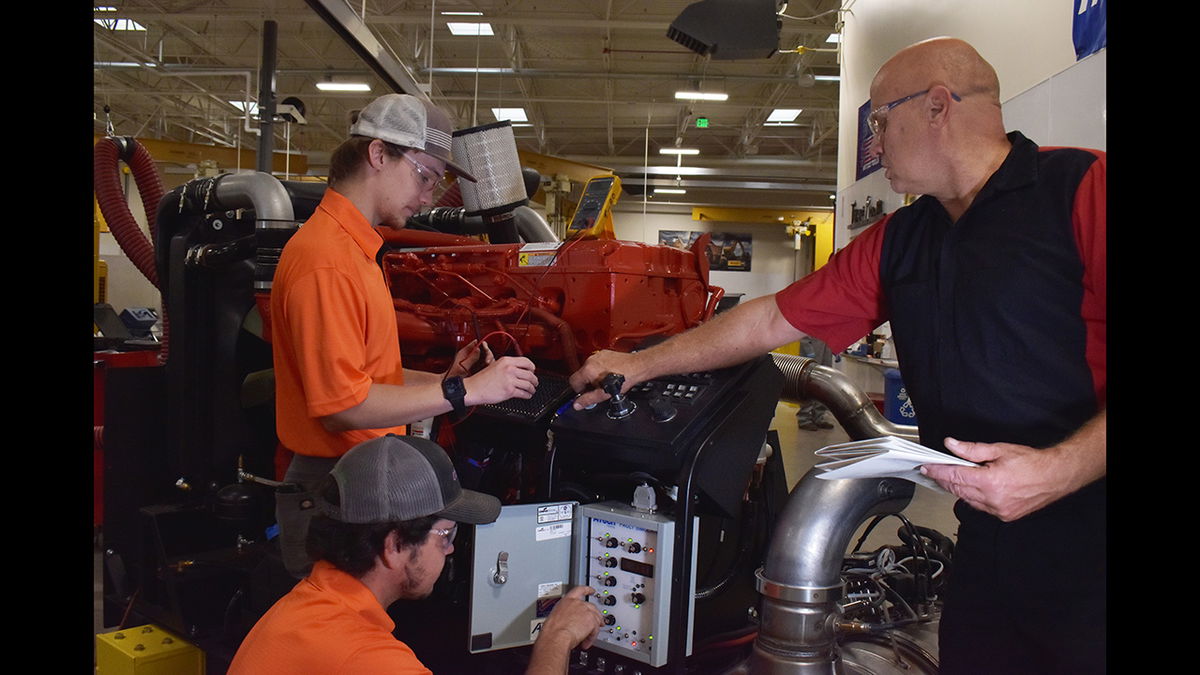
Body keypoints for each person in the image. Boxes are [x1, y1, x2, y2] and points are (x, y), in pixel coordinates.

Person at [569, 37, 1105, 674]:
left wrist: (1058, 472)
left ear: (939, 105)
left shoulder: (1083, 188)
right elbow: (773, 317)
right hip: (989, 537)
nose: (873, 141)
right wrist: (638, 363)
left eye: (880, 119)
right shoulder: (902, 238)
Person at [270, 92, 540, 578]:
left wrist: (441, 377)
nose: (429, 197)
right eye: (425, 177)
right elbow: (341, 407)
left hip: (361, 476)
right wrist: (464, 391)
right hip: (333, 487)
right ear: (378, 155)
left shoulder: (356, 251)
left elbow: (367, 375)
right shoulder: (327, 259)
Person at [229, 434, 604, 674]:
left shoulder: (299, 610)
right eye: (444, 534)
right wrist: (556, 637)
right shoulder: (366, 658)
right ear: (393, 546)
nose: (452, 548)